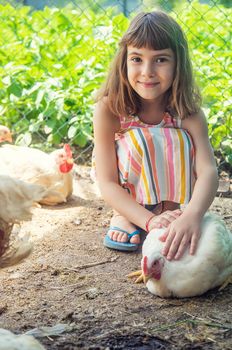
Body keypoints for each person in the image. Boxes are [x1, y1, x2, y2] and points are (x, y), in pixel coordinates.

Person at [92, 11, 218, 260]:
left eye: (160, 60)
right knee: (141, 137)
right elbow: (106, 181)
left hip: (176, 207)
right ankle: (126, 214)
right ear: (124, 61)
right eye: (137, 59)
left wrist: (192, 215)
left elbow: (208, 172)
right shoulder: (110, 109)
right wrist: (149, 222)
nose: (147, 71)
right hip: (127, 195)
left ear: (178, 63)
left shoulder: (188, 114)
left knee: (176, 137)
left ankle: (171, 211)